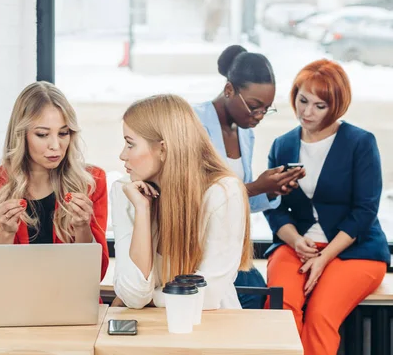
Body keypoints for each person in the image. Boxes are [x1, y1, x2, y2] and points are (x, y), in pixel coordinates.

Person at [264, 59, 389, 355]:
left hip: (355, 249)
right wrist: (294, 240)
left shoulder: (360, 142)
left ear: (336, 106)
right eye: (302, 100)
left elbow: (365, 211)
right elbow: (274, 207)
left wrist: (325, 257)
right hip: (299, 244)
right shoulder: (282, 145)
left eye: (319, 106)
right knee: (280, 311)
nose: (306, 112)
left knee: (321, 315)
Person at [111, 94, 252, 310]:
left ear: (163, 149)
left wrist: (153, 299)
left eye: (130, 145)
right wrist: (142, 210)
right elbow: (134, 296)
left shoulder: (223, 192)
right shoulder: (126, 191)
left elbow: (209, 295)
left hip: (212, 325)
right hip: (151, 328)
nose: (122, 155)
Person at [194, 44, 305, 309]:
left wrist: (271, 190)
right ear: (229, 89)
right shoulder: (193, 122)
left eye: (267, 109)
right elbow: (192, 198)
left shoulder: (245, 133)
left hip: (230, 246)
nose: (260, 116)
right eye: (254, 106)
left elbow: (240, 198)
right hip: (198, 248)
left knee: (259, 296)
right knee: (252, 298)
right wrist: (255, 187)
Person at [0, 81, 109, 280]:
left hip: (73, 305)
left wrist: (82, 227)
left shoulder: (91, 182)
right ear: (21, 135)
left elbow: (96, 275)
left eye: (63, 133)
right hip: (14, 306)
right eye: (42, 134)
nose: (55, 145)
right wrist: (6, 234)